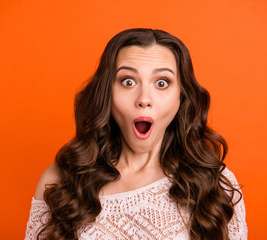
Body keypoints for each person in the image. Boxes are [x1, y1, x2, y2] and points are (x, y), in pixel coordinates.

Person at [25, 28, 247, 240]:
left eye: (162, 83)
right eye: (128, 81)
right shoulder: (60, 180)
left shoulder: (215, 184)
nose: (144, 98)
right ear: (106, 93)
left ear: (182, 97)